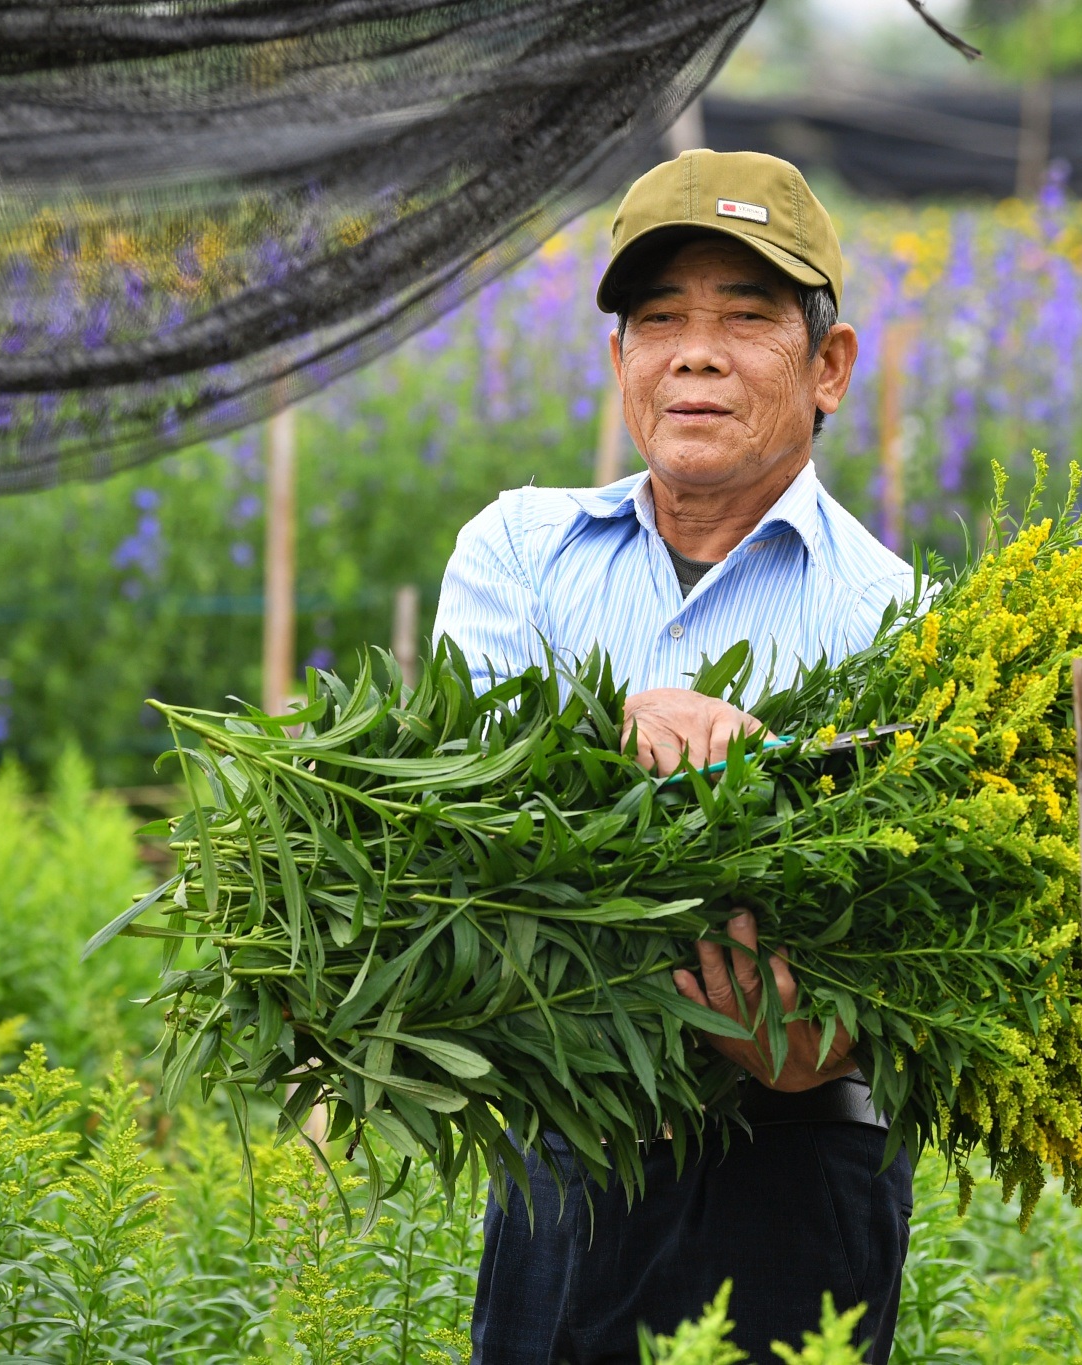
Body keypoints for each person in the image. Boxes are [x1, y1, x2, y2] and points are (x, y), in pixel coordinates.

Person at [434, 149, 917, 1365]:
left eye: (745, 318)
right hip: (568, 1130)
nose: (693, 352)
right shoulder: (518, 553)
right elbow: (463, 811)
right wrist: (615, 730)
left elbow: (919, 937)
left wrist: (823, 1049)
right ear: (619, 364)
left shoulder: (902, 621)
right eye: (659, 321)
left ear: (828, 370)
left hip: (803, 1156)